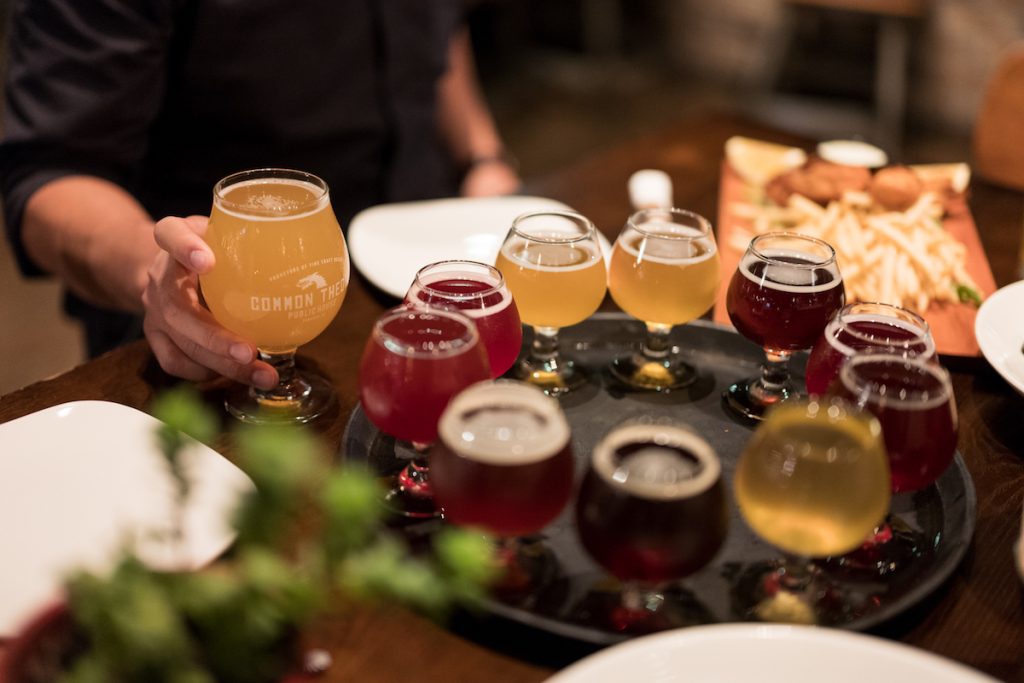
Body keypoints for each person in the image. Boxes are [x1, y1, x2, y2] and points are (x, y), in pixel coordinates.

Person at [0, 0, 520, 391]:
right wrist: (156, 268)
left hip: (415, 278)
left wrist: (482, 155)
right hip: (212, 337)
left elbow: (440, 31)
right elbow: (50, 172)